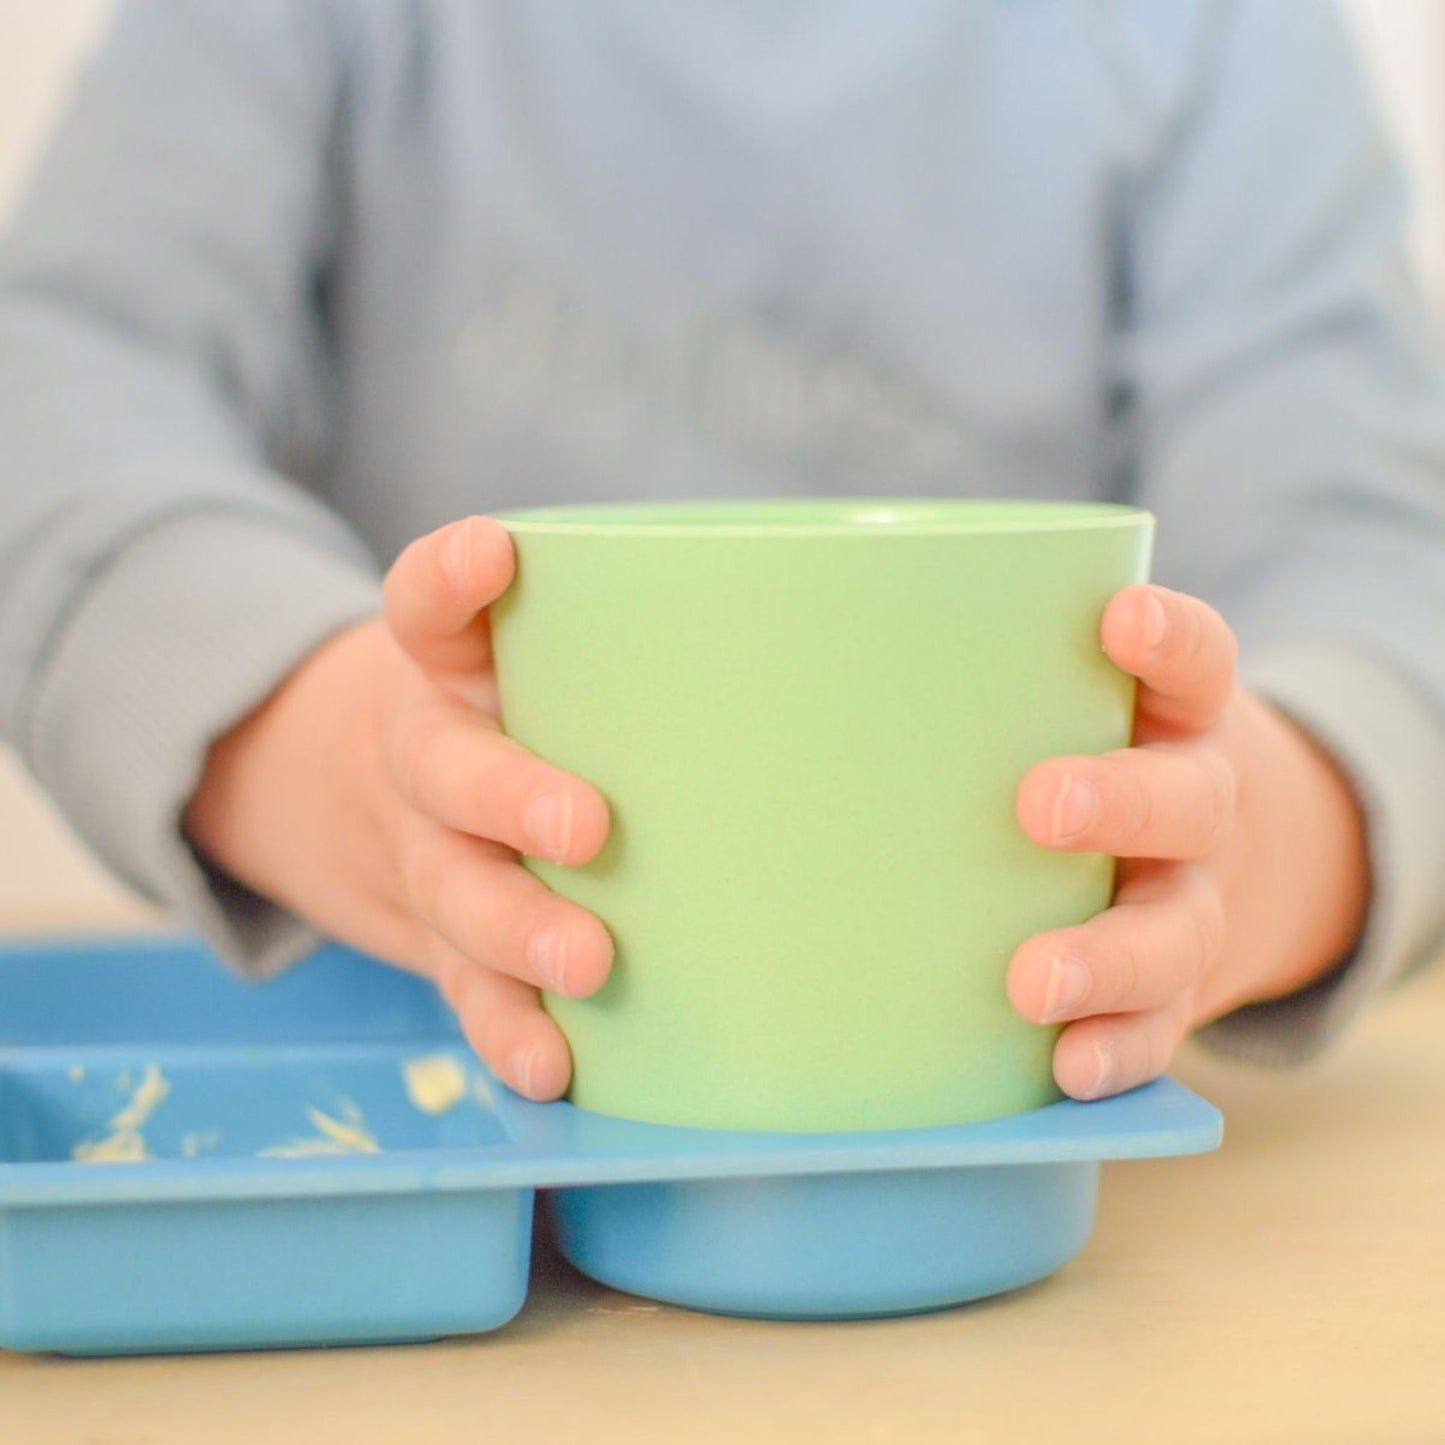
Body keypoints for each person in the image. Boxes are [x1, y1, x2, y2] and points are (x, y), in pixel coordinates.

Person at [1, 0, 1442, 1107]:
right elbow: (57, 386)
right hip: (414, 1068)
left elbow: (1373, 550)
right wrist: (323, 749)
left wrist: (1265, 839)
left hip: (1028, 1120)